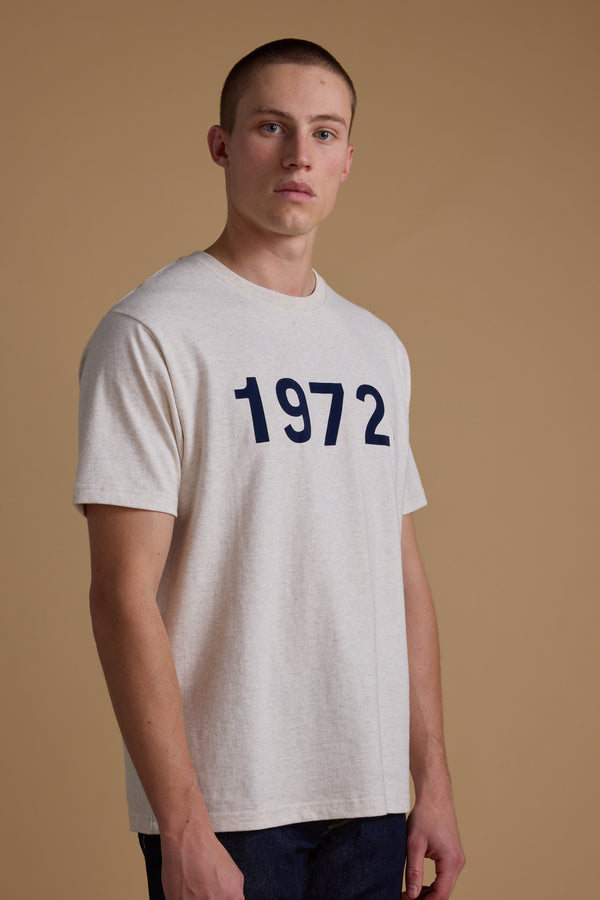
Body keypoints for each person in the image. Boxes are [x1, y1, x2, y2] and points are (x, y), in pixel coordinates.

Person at [74, 38, 465, 900]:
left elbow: (401, 571)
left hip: (369, 801)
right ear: (222, 144)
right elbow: (120, 593)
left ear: (348, 159)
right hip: (229, 803)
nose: (299, 156)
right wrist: (181, 825)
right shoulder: (152, 333)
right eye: (271, 127)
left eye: (324, 133)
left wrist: (428, 779)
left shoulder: (375, 348)